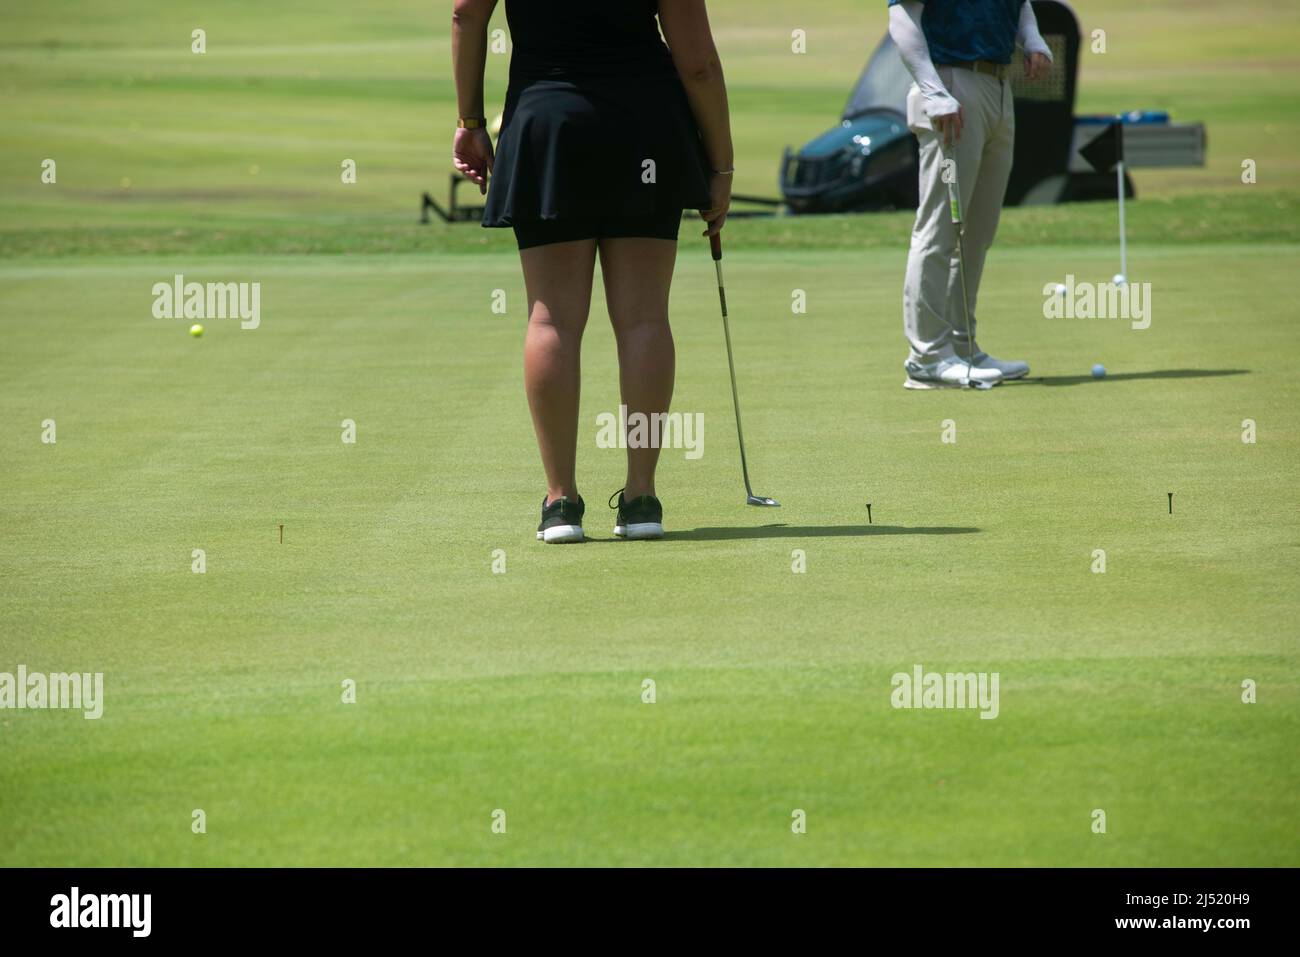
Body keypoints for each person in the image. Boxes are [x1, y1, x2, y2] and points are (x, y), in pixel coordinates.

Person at [451, 0, 733, 542]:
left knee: (551, 320)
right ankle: (641, 498)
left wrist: (469, 122)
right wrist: (719, 165)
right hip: (645, 125)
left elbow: (466, 15)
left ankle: (561, 503)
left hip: (548, 125)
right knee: (644, 318)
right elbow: (697, 64)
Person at [888, 0, 1052, 389]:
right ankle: (927, 357)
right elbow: (902, 16)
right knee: (940, 228)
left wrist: (1032, 38)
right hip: (952, 88)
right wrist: (933, 91)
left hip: (999, 86)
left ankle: (962, 347)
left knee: (977, 233)